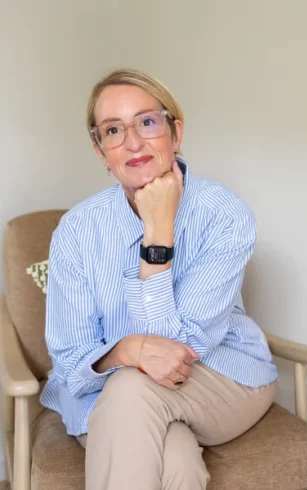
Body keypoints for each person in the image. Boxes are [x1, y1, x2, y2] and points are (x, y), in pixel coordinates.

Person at [41, 68, 279, 490]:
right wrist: (126, 351)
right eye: (113, 130)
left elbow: (175, 352)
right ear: (100, 151)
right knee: (175, 462)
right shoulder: (77, 231)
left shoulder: (225, 216)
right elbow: (71, 364)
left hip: (221, 380)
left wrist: (158, 233)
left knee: (132, 388)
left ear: (175, 131)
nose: (133, 143)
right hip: (107, 391)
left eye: (147, 122)